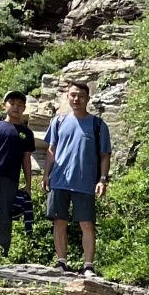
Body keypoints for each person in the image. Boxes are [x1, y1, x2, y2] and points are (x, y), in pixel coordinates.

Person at [44, 79, 110, 279]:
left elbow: (105, 155)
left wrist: (102, 179)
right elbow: (51, 149)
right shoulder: (58, 121)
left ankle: (88, 266)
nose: (76, 99)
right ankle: (61, 263)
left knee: (87, 224)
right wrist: (46, 174)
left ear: (88, 99)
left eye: (81, 96)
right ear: (67, 96)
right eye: (73, 95)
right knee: (59, 221)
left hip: (85, 182)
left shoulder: (98, 124)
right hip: (59, 180)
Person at [0, 91, 35, 262]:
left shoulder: (26, 133)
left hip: (11, 180)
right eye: (12, 103)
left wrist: (28, 184)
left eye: (20, 104)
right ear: (4, 105)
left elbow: (26, 159)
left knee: (5, 219)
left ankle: (1, 257)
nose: (16, 107)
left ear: (24, 108)